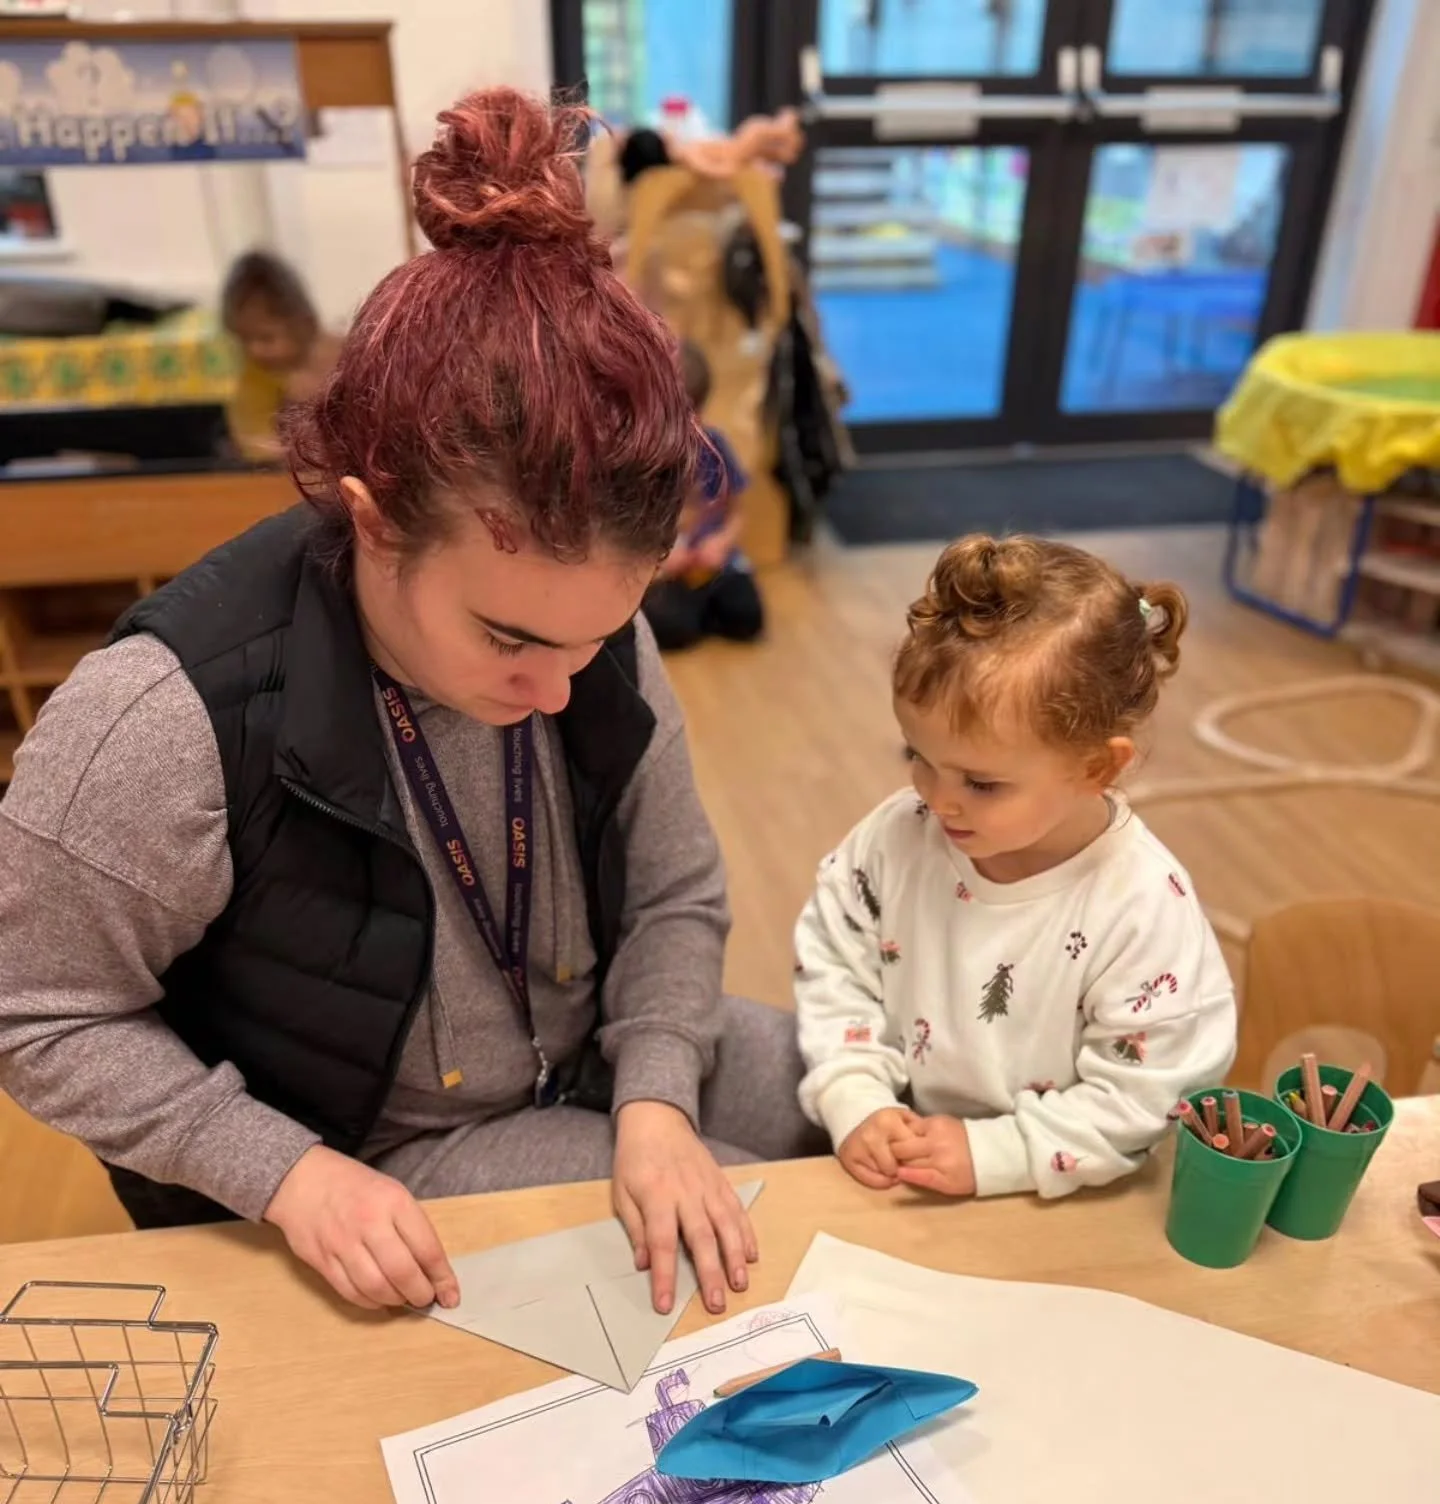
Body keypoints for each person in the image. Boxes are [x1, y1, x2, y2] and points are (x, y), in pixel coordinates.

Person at [0, 87, 820, 1321]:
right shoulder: (168, 719)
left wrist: (653, 1093)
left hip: (587, 1042)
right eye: (509, 638)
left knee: (874, 1110)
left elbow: (676, 892)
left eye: (596, 638)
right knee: (767, 1251)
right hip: (385, 1140)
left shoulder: (583, 623)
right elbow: (36, 1008)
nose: (559, 687)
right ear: (372, 519)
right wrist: (283, 1173)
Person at [793, 533, 1237, 1200]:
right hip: (908, 1166)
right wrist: (854, 1090)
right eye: (916, 756)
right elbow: (834, 957)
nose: (936, 798)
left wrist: (1001, 1152)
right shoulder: (897, 837)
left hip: (1076, 1198)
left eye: (982, 783)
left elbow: (1152, 1093)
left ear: (1097, 768)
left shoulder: (1142, 904)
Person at [642, 341, 764, 653]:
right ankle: (693, 616)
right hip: (666, 574)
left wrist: (722, 542)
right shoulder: (643, 459)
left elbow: (738, 511)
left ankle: (701, 613)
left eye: (692, 412)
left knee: (748, 619)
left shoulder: (715, 445)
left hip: (713, 566)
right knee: (672, 630)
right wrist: (662, 565)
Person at [220, 249, 340, 463]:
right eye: (244, 339)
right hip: (289, 475)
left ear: (302, 323)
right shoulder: (256, 380)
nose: (253, 350)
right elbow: (253, 441)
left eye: (266, 338)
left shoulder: (337, 352)